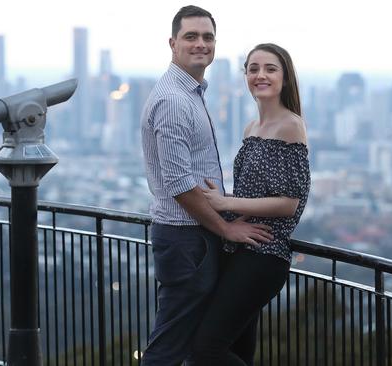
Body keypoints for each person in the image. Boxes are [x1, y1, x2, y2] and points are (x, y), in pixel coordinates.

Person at [140, 6, 273, 366]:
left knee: (192, 343)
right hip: (188, 239)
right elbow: (179, 183)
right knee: (170, 346)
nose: (201, 44)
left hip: (193, 238)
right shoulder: (173, 100)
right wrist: (225, 228)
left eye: (208, 37)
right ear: (172, 43)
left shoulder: (189, 93)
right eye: (191, 36)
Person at [189, 43, 311, 365]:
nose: (260, 75)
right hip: (239, 249)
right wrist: (222, 201)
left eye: (270, 69)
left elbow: (289, 203)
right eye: (253, 68)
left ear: (285, 78)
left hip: (264, 255)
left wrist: (225, 201)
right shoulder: (251, 128)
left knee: (206, 349)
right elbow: (255, 194)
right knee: (238, 350)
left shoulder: (290, 126)